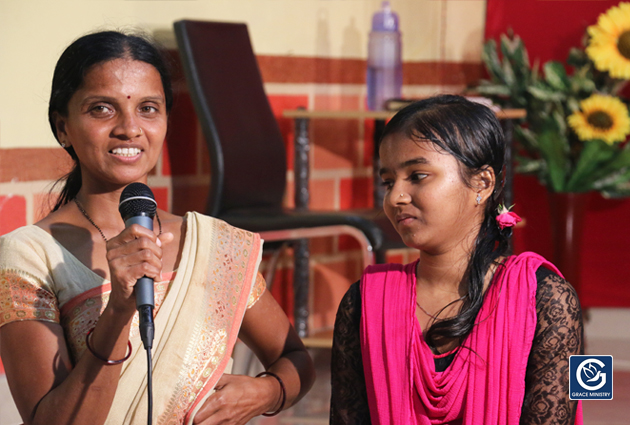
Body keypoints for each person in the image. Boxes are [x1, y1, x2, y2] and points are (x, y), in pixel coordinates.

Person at [0, 30, 314, 425]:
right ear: (62, 127)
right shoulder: (30, 254)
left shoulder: (214, 244)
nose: (130, 128)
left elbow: (296, 359)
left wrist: (266, 391)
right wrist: (117, 310)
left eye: (148, 108)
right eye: (102, 109)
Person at [330, 95, 584, 425]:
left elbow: (583, 399)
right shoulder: (364, 301)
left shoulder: (549, 298)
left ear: (482, 183)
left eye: (417, 176)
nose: (395, 198)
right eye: (388, 182)